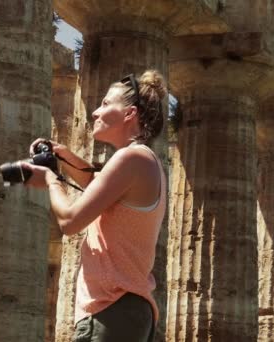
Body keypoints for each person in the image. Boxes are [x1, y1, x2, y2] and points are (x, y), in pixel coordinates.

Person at [22, 70, 167, 342]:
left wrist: (51, 180)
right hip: (124, 309)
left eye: (105, 104)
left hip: (111, 309)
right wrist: (64, 156)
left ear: (129, 114)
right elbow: (95, 181)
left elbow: (69, 221)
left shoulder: (132, 159)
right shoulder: (144, 160)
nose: (95, 113)